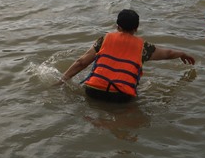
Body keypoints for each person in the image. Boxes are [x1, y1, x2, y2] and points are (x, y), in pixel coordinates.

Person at [59, 9, 196, 103]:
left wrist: (61, 80)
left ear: (117, 26)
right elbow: (167, 53)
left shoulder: (105, 39)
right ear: (136, 28)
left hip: (94, 91)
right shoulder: (144, 47)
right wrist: (182, 53)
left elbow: (81, 62)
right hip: (121, 97)